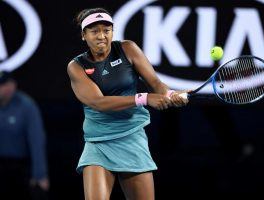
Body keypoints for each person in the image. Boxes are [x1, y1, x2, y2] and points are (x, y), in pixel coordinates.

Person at [67, 8, 189, 200]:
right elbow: (99, 102)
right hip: (98, 142)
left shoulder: (128, 49)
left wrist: (171, 94)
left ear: (112, 32)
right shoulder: (77, 66)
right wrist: (144, 98)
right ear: (84, 35)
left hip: (132, 137)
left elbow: (156, 83)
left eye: (106, 30)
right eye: (94, 31)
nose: (101, 36)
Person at [0, 71, 49, 200]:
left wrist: (40, 175)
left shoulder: (27, 106)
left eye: (2, 85)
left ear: (11, 86)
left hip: (18, 169)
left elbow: (36, 142)